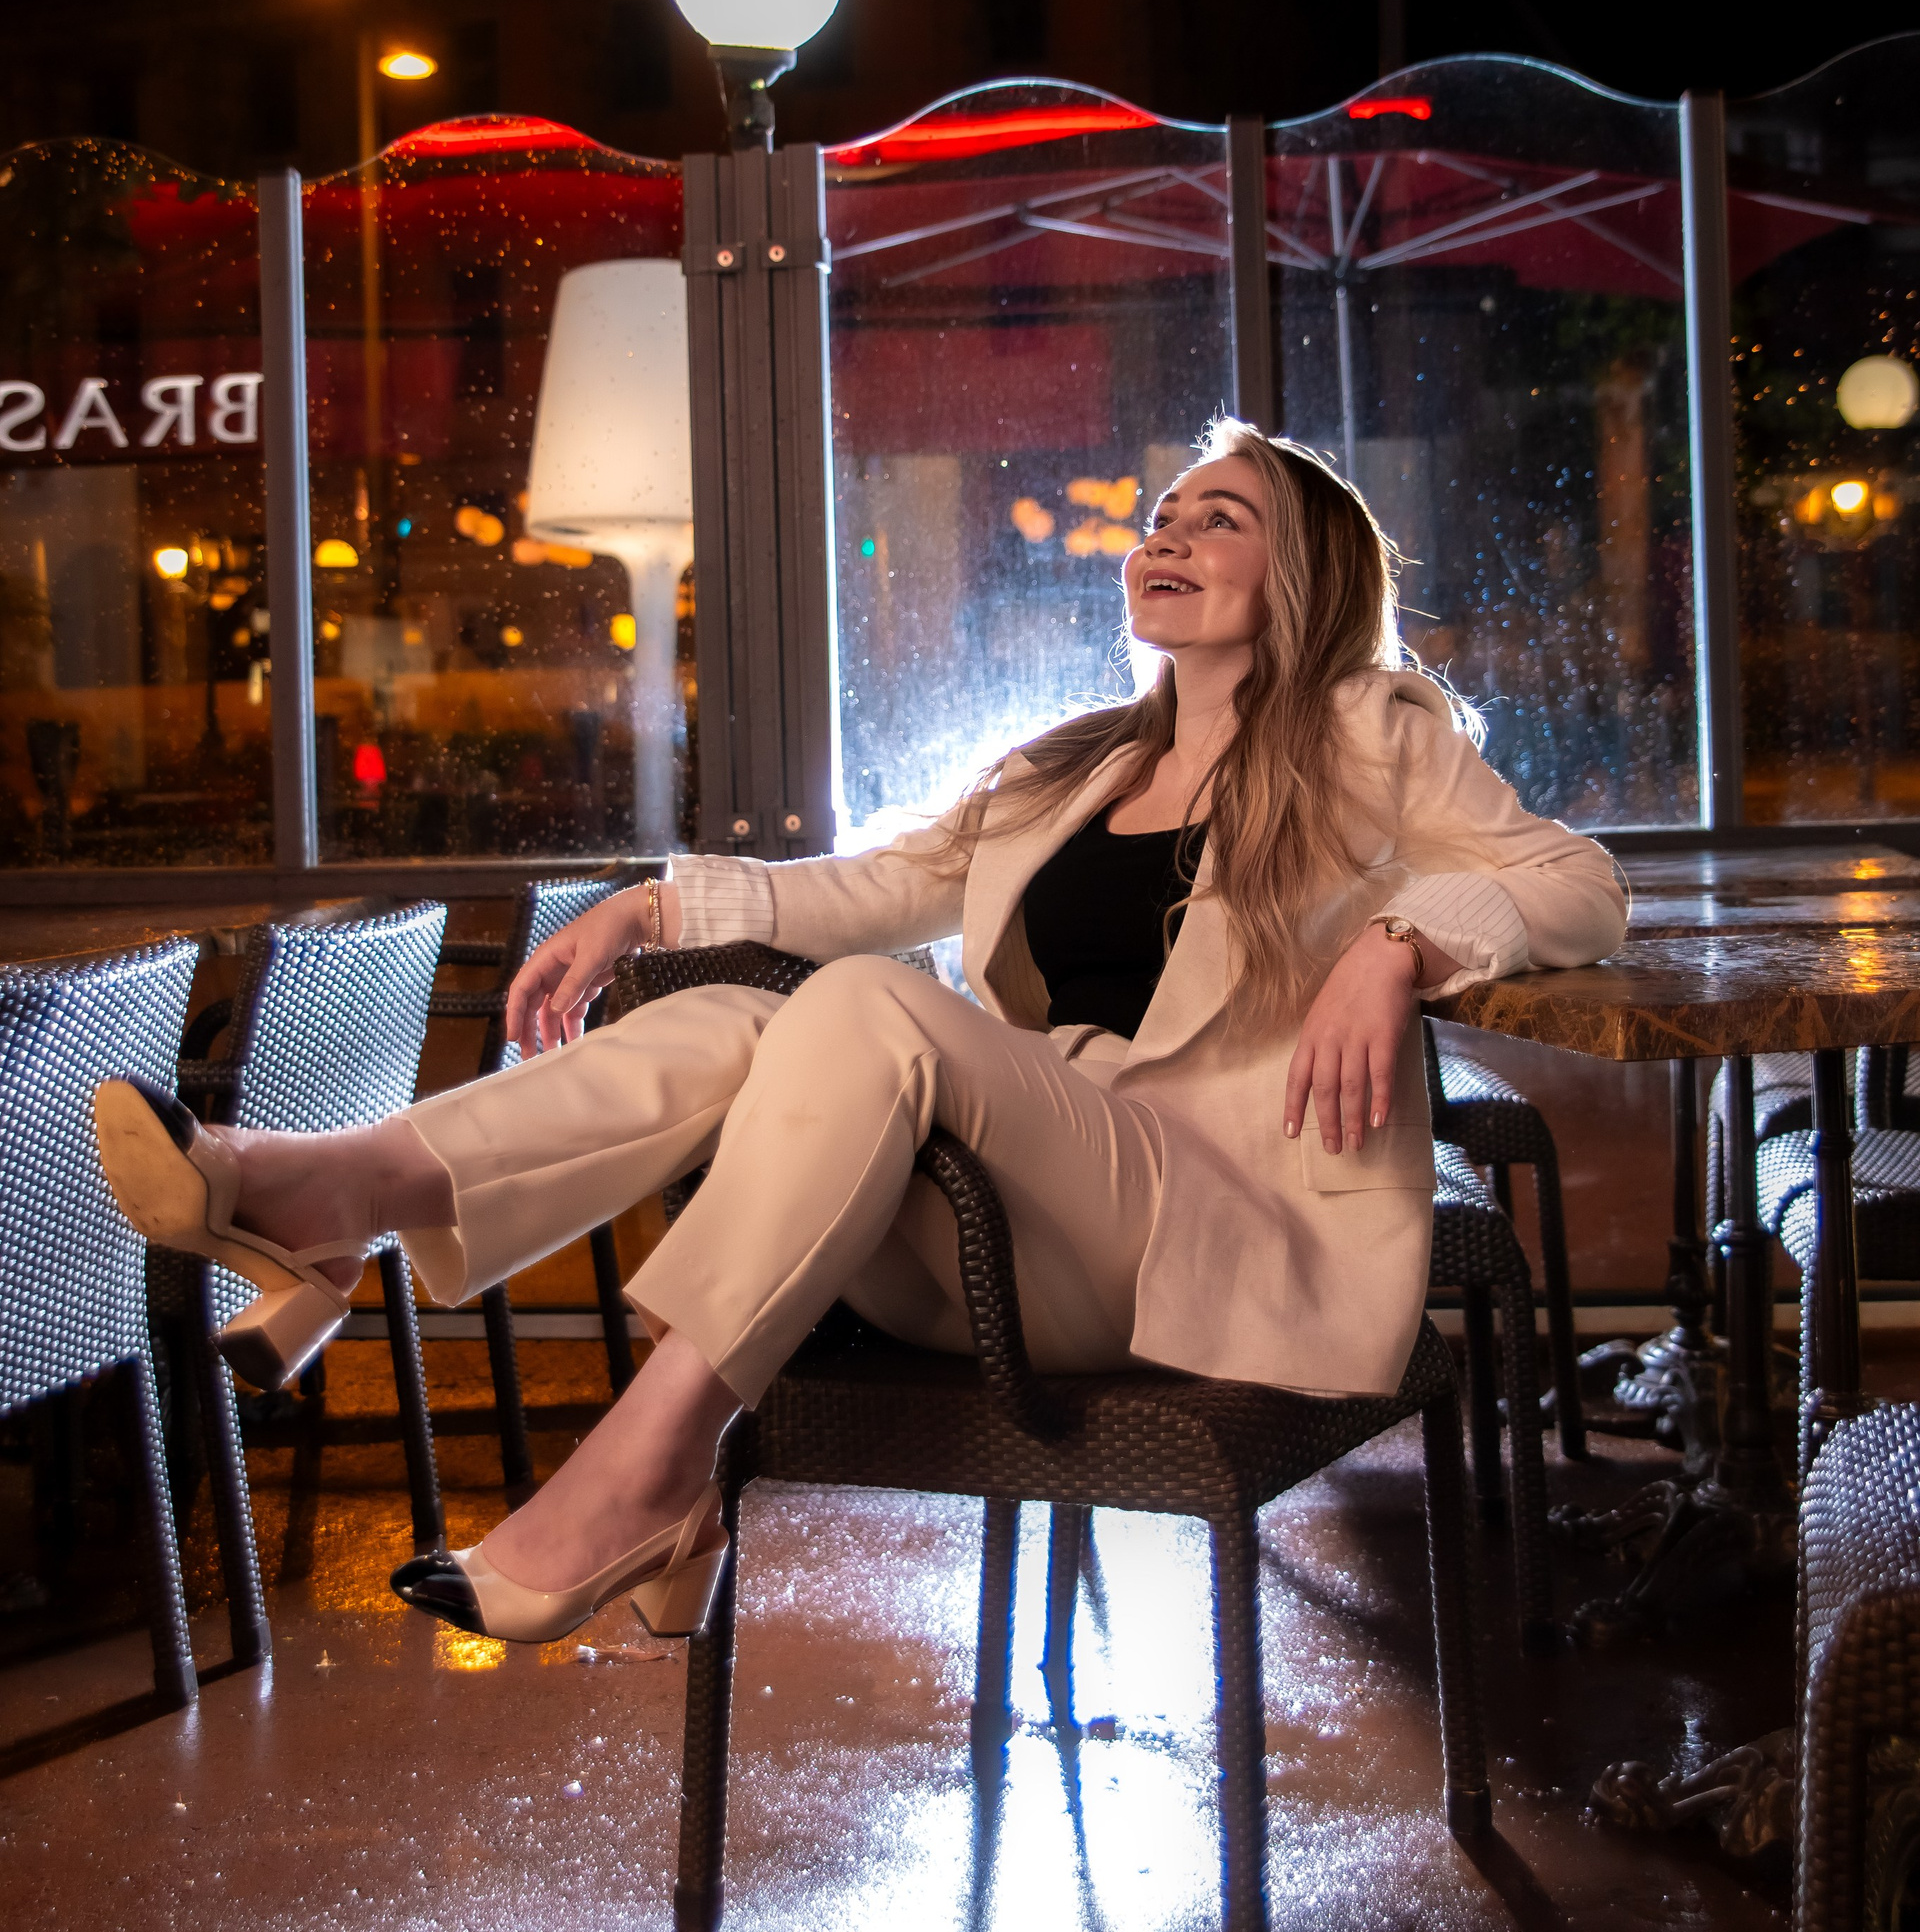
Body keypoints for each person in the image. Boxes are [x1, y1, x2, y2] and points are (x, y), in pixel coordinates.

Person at [93, 422, 1626, 1646]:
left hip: (1194, 1239)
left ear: (1307, 574)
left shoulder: (1373, 732)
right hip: (991, 1248)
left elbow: (1577, 880)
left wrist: (1396, 944)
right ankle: (343, 1195)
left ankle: (644, 1449)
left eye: (1215, 518)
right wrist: (652, 906)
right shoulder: (1070, 766)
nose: (1163, 535)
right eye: (1158, 514)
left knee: (870, 1004)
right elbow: (876, 888)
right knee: (741, 1016)